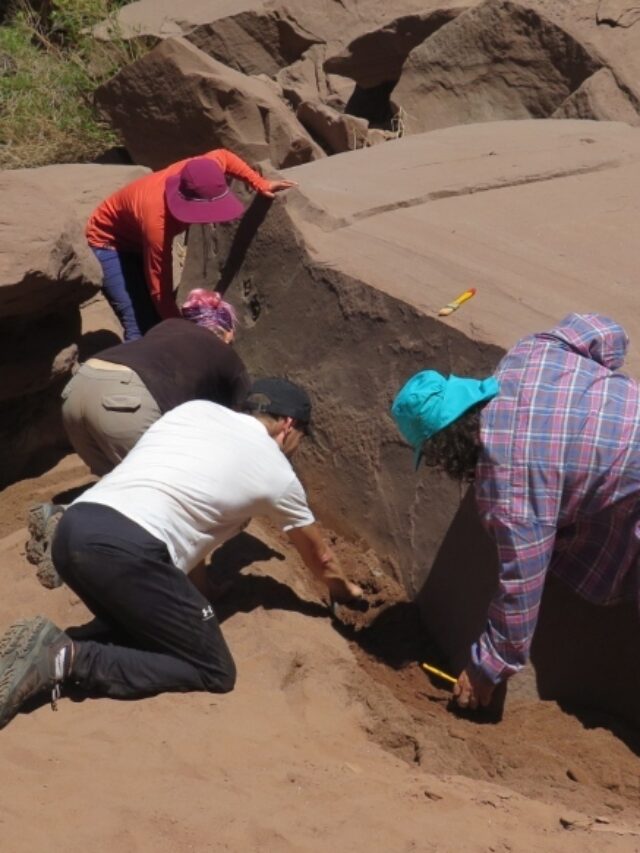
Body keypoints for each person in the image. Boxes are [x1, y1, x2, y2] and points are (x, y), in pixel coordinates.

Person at [0, 378, 363, 729]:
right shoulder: (277, 473)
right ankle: (66, 659)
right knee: (213, 669)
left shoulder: (195, 411)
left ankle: (47, 648)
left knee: (143, 629)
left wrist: (200, 591)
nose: (298, 446)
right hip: (129, 550)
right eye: (301, 437)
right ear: (288, 425)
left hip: (74, 527)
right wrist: (344, 590)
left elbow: (186, 506)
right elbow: (320, 557)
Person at [391, 313, 640, 712]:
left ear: (444, 449)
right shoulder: (530, 354)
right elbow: (606, 332)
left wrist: (486, 668)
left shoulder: (508, 489)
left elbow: (522, 585)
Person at [26, 288, 250, 589]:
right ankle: (64, 535)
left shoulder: (168, 327)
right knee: (170, 499)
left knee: (125, 490)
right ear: (223, 331)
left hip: (80, 388)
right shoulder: (227, 357)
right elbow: (244, 430)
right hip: (125, 401)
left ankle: (60, 517)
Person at [86, 149, 296, 340]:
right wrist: (184, 333)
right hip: (109, 243)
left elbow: (225, 156)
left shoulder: (204, 169)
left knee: (159, 317)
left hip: (138, 238)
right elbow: (160, 290)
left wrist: (259, 182)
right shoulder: (157, 221)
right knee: (141, 323)